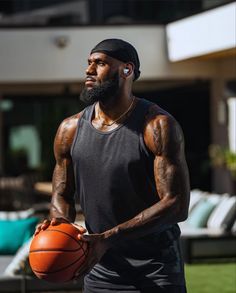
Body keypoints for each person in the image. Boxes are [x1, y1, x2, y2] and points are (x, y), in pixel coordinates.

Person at [35, 38, 190, 293]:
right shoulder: (69, 130)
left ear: (126, 70)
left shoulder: (157, 126)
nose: (89, 70)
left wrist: (109, 237)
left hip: (156, 269)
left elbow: (176, 204)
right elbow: (61, 193)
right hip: (101, 270)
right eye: (88, 63)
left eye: (100, 63)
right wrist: (60, 225)